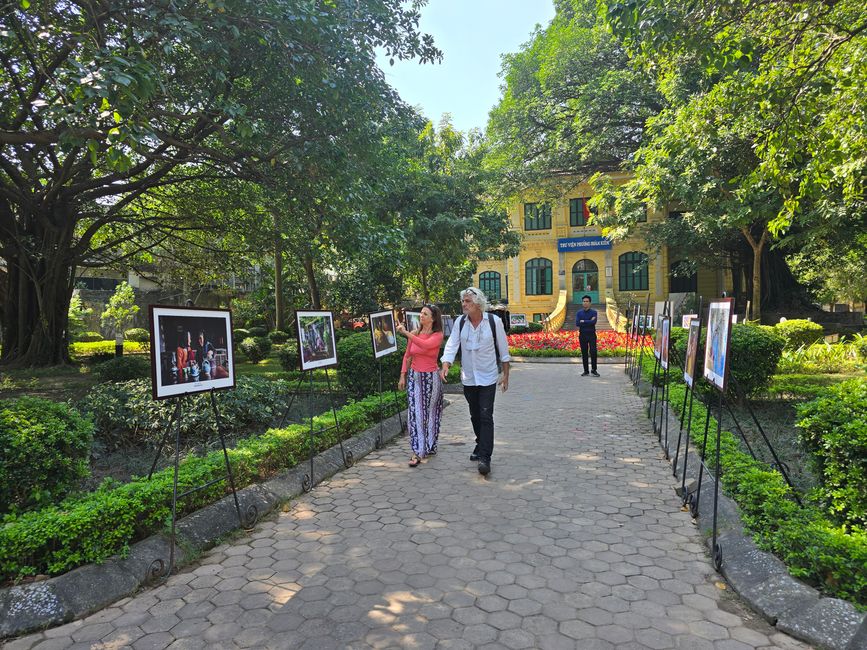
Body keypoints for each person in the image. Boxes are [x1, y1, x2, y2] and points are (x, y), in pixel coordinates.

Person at [440, 287, 511, 476]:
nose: (464, 304)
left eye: (468, 301)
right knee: (475, 415)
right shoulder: (460, 322)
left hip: (488, 377)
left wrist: (505, 375)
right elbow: (452, 344)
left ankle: (485, 458)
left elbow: (503, 350)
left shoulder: (494, 322)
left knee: (486, 415)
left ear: (478, 303)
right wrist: (446, 363)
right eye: (463, 301)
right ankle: (480, 443)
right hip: (469, 378)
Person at [396, 305, 445, 467]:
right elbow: (407, 355)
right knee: (416, 414)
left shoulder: (437, 335)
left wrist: (406, 333)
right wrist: (403, 375)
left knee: (432, 413)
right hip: (415, 377)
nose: (421, 316)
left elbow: (425, 345)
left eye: (425, 314)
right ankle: (418, 450)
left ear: (433, 318)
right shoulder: (415, 333)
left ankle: (430, 445)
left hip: (431, 379)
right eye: (421, 313)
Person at [575, 294, 599, 377]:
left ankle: (594, 370)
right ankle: (586, 371)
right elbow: (577, 323)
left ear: (590, 303)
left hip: (592, 334)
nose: (585, 303)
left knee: (593, 352)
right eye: (584, 301)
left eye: (587, 301)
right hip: (582, 335)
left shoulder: (594, 312)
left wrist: (583, 321)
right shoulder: (579, 313)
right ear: (582, 302)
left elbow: (593, 322)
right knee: (584, 353)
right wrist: (588, 321)